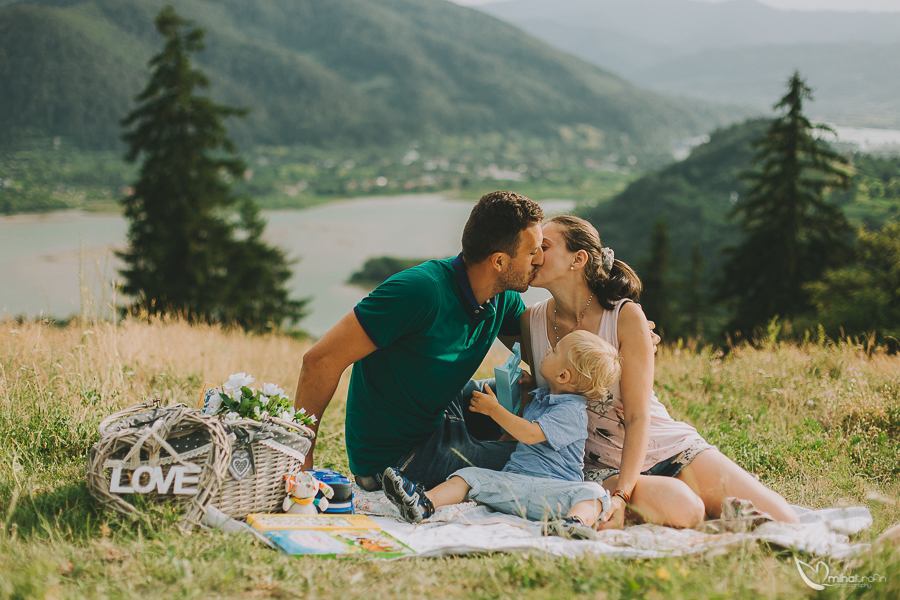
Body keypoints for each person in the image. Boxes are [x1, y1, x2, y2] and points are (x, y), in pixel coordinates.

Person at [522, 214, 800, 529]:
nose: (534, 256)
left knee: (786, 522)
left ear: (579, 259)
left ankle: (711, 510)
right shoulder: (530, 322)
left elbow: (639, 416)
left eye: (544, 246)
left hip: (663, 445)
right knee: (684, 508)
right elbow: (542, 397)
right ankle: (707, 513)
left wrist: (624, 496)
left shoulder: (625, 316)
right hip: (596, 468)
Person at [292, 191, 545, 490]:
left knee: (518, 396)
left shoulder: (500, 297)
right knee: (541, 461)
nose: (541, 260)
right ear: (499, 261)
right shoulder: (419, 292)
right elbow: (319, 361)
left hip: (442, 411)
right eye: (533, 253)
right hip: (398, 457)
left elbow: (545, 360)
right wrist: (301, 467)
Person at [382, 330, 620, 540]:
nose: (548, 350)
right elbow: (526, 419)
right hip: (515, 483)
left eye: (555, 351)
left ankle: (574, 523)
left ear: (563, 377)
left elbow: (528, 433)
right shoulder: (545, 396)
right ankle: (423, 503)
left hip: (554, 491)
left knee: (594, 492)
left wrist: (493, 410)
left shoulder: (572, 412)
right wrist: (526, 390)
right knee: (468, 476)